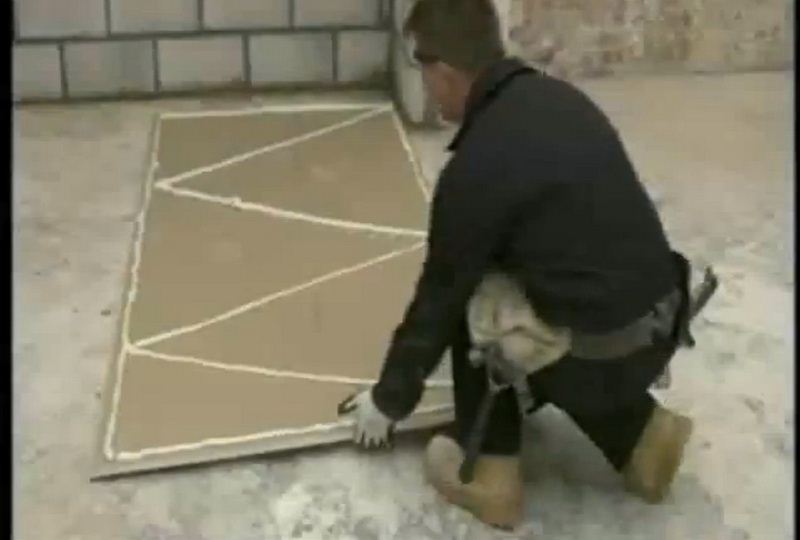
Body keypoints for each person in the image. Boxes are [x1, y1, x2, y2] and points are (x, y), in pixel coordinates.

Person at [337, 0, 695, 530]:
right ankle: (642, 437)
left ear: (445, 72)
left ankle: (490, 476)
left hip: (601, 358)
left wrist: (389, 399)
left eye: (423, 71)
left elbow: (438, 300)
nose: (427, 88)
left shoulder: (476, 168)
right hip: (660, 323)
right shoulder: (558, 98)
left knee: (477, 302)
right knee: (565, 296)